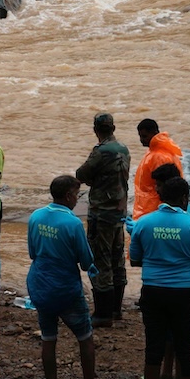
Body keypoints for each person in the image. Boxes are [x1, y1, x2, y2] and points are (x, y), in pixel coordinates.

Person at [130, 177, 190, 379]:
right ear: (185, 198)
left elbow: (136, 260)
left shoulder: (143, 224)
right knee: (185, 346)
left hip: (153, 290)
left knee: (153, 347)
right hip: (184, 292)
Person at [26, 175, 96, 379]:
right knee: (85, 337)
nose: (77, 199)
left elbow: (32, 253)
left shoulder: (36, 216)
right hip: (65, 288)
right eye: (77, 195)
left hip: (40, 286)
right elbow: (86, 262)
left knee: (48, 339)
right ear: (68, 196)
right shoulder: (73, 223)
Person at [75, 112, 131, 325]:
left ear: (95, 130)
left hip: (101, 212)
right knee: (118, 260)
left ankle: (103, 314)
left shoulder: (100, 151)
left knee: (101, 261)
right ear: (113, 128)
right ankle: (116, 310)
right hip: (119, 213)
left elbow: (81, 174)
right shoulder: (124, 149)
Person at [133, 119, 183, 220]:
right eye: (140, 136)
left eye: (144, 136)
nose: (141, 140)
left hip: (152, 208)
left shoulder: (159, 156)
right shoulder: (156, 151)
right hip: (148, 207)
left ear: (154, 133)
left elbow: (168, 189)